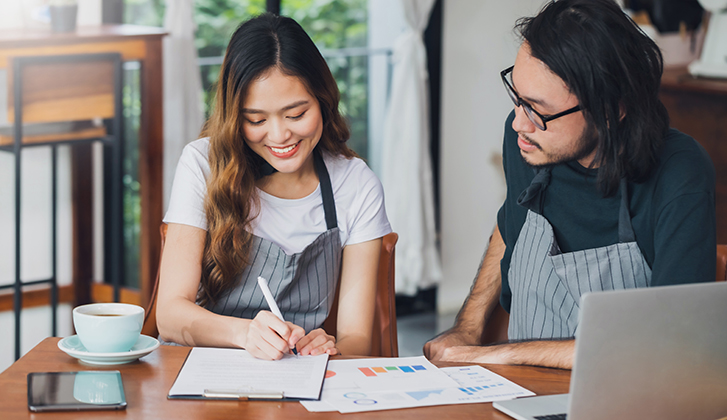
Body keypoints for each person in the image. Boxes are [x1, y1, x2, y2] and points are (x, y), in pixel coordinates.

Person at [424, 0, 715, 369]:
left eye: (538, 110)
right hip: (519, 388)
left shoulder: (679, 172)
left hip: (625, 391)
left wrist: (495, 354)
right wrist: (467, 327)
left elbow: (674, 341)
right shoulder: (529, 145)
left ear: (612, 110)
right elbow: (510, 224)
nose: (519, 123)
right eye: (517, 97)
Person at [156, 13, 391, 360]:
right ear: (235, 116)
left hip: (298, 377)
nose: (280, 136)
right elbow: (170, 317)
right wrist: (245, 333)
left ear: (323, 100)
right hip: (204, 371)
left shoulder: (355, 184)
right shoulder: (202, 164)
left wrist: (331, 348)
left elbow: (357, 339)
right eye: (256, 120)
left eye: (296, 114)